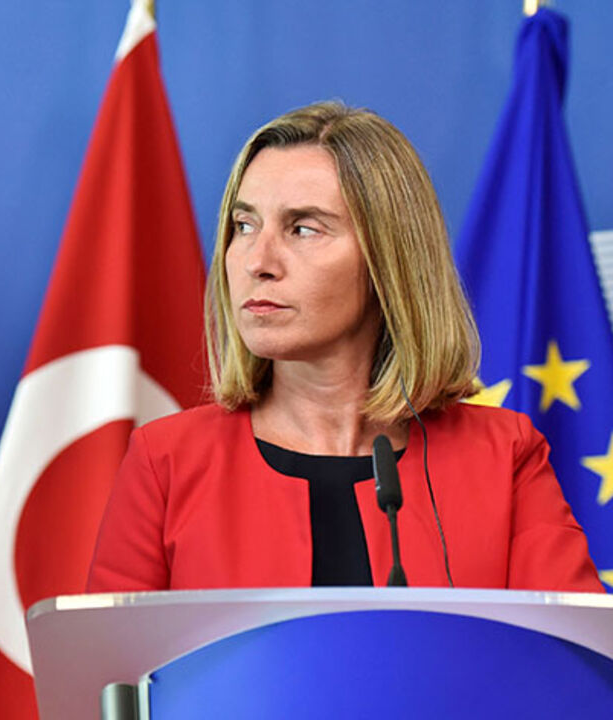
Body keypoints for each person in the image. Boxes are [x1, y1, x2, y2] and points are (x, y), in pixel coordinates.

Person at [87, 101, 604, 594]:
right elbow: (108, 679)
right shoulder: (167, 462)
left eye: (303, 228)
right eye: (243, 226)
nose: (256, 261)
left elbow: (580, 665)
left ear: (388, 262)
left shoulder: (503, 456)